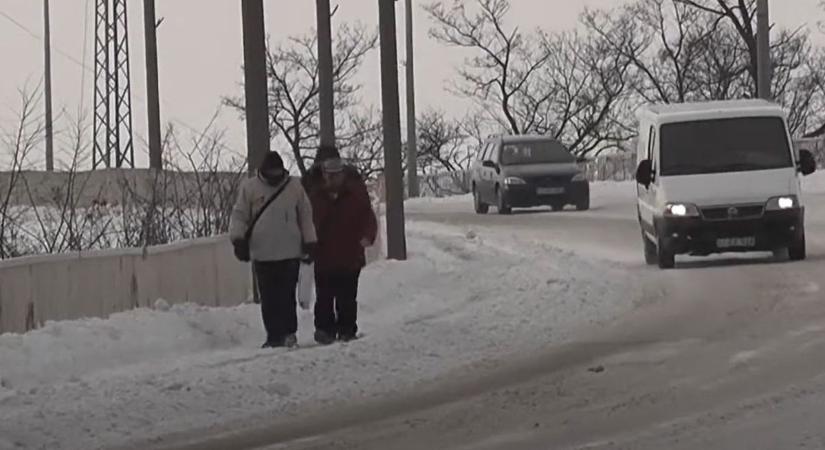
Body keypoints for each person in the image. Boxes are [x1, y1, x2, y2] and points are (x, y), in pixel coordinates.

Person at [229, 151, 317, 348]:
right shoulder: (250, 188)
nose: (275, 176)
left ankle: (288, 332)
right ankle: (274, 335)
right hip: (262, 252)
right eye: (272, 172)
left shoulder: (294, 186)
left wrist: (310, 241)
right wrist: (238, 239)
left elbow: (305, 214)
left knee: (286, 295)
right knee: (268, 297)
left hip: (290, 251)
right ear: (263, 171)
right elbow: (240, 214)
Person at [308, 156, 377, 345]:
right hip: (324, 256)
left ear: (342, 175)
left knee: (347, 297)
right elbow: (308, 223)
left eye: (336, 175)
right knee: (324, 296)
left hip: (350, 255)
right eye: (329, 175)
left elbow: (368, 218)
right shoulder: (316, 198)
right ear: (323, 176)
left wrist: (367, 237)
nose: (332, 179)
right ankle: (324, 330)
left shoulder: (355, 196)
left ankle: (347, 329)